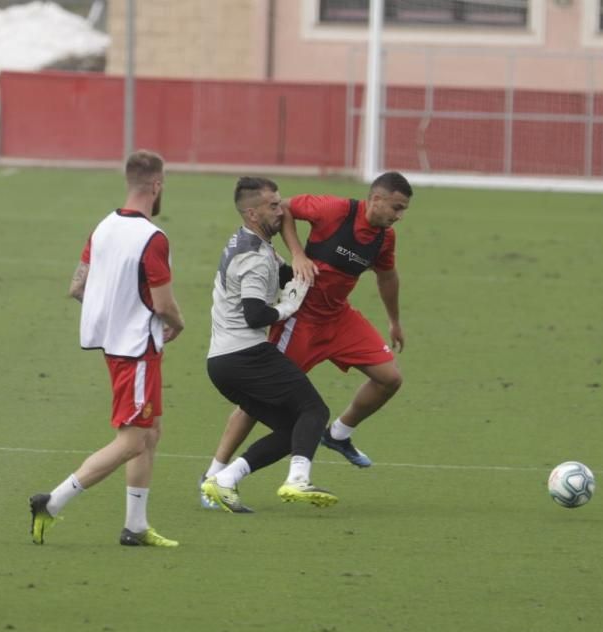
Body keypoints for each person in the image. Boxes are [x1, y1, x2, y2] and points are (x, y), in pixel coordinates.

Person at [200, 171, 413, 509]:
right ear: (377, 199)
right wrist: (298, 254)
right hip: (300, 320)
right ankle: (213, 474)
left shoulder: (384, 238)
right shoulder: (333, 209)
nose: (399, 216)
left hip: (339, 318)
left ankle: (339, 434)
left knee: (390, 378)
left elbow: (387, 277)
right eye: (397, 208)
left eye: (404, 211)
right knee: (261, 401)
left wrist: (394, 321)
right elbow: (284, 208)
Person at [29, 149, 186, 547]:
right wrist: (178, 325)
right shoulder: (152, 238)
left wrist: (113, 314)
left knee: (150, 432)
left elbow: (78, 287)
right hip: (136, 350)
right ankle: (52, 502)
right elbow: (165, 305)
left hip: (117, 347)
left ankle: (135, 526)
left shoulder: (102, 228)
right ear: (156, 185)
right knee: (133, 440)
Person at [200, 176, 337, 513]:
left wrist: (313, 270)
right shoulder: (255, 257)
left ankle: (224, 480)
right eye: (273, 206)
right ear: (251, 213)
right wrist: (286, 308)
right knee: (315, 411)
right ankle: (297, 480)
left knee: (294, 429)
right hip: (245, 355)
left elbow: (284, 275)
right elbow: (254, 314)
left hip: (222, 361)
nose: (282, 212)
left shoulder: (249, 242)